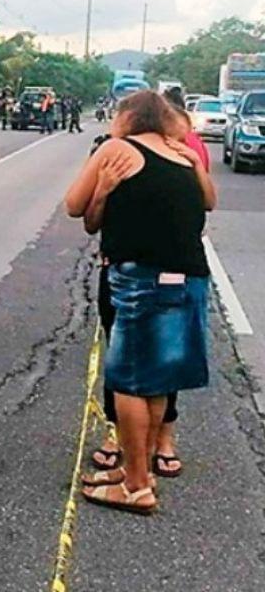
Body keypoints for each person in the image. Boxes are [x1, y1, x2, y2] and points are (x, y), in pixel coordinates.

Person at [64, 90, 216, 514]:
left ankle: (135, 486)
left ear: (127, 117)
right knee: (158, 377)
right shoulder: (180, 153)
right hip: (189, 277)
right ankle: (140, 468)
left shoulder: (117, 148)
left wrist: (105, 183)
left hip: (140, 277)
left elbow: (74, 206)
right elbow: (209, 202)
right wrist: (191, 160)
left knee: (129, 379)